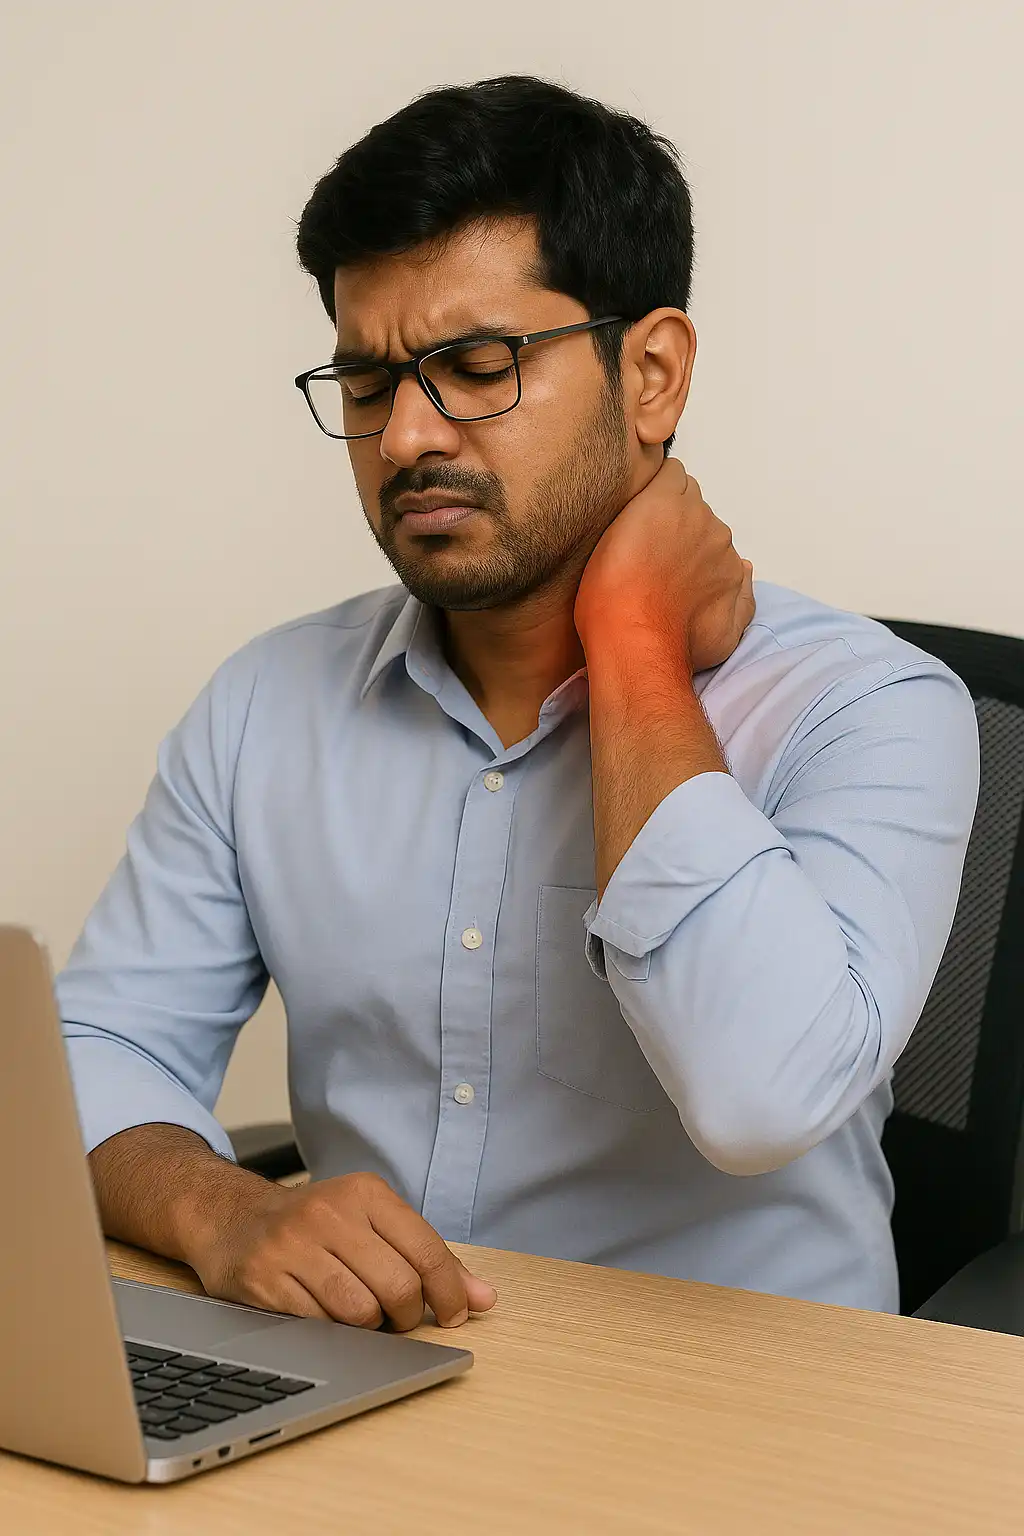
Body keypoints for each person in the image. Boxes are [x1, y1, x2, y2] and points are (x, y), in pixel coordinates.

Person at [60, 76, 979, 1328]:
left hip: (740, 1431)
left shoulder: (867, 707)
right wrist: (222, 1209)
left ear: (651, 374)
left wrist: (634, 642)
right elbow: (91, 1055)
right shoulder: (265, 705)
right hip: (374, 1386)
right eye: (369, 383)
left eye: (476, 368)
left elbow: (759, 1095)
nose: (401, 441)